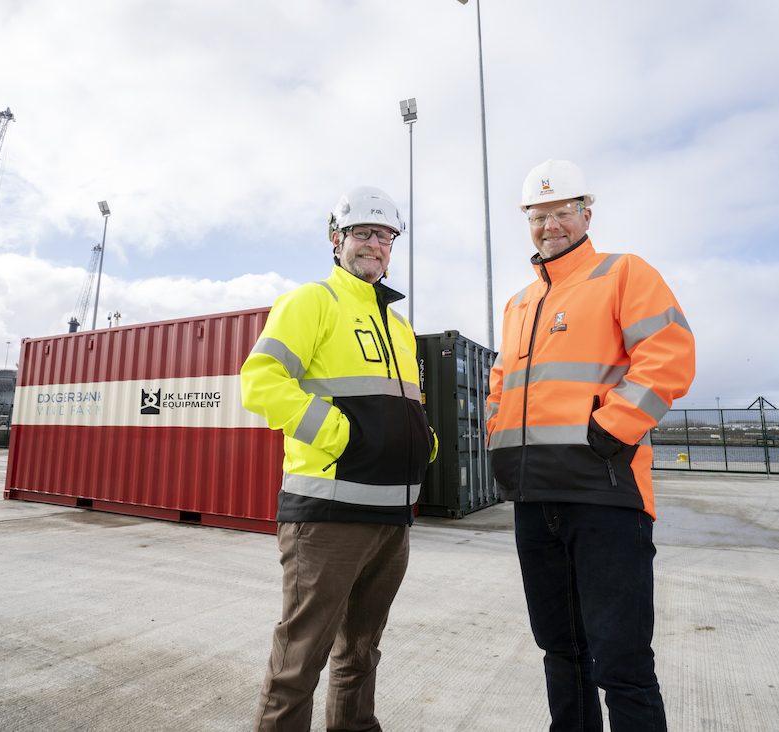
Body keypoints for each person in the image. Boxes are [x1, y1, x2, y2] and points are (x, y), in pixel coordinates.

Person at [486, 159, 695, 731]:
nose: (550, 225)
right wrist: (496, 434)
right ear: (527, 221)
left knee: (622, 662)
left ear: (585, 212)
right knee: (561, 653)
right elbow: (501, 381)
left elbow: (669, 354)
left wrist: (610, 432)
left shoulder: (624, 273)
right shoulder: (518, 304)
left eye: (562, 212)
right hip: (534, 500)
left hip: (605, 495)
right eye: (539, 215)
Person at [241, 185, 437, 732]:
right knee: (300, 661)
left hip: (391, 519)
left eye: (385, 235)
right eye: (363, 233)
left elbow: (402, 406)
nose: (375, 244)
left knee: (361, 654)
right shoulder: (312, 302)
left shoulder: (400, 328)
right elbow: (259, 382)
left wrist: (425, 444)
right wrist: (338, 435)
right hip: (327, 516)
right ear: (337, 241)